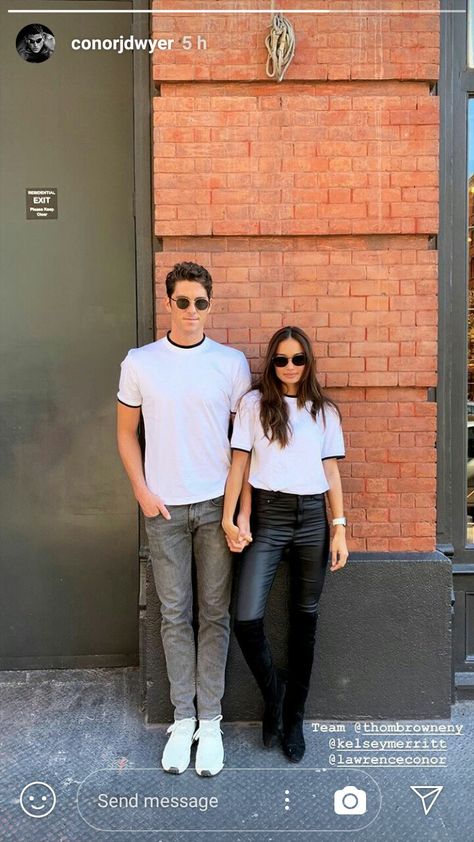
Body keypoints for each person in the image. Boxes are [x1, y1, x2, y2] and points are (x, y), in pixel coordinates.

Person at [117, 262, 251, 776]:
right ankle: (183, 720)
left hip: (216, 507)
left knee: (214, 613)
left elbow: (244, 445)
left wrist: (239, 511)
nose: (191, 311)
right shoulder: (140, 362)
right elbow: (126, 433)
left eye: (200, 302)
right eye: (182, 301)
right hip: (165, 510)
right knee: (174, 615)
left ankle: (211, 722)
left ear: (209, 306)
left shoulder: (231, 363)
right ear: (167, 303)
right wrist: (142, 492)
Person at [222, 325, 349, 763]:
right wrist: (234, 516)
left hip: (313, 518)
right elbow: (239, 465)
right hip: (269, 518)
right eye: (281, 359)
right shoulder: (254, 406)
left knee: (304, 621)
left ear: (308, 362)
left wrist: (340, 528)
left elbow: (331, 473)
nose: (290, 367)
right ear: (271, 363)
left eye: (298, 359)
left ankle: (293, 717)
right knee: (246, 619)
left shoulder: (324, 412)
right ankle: (274, 697)